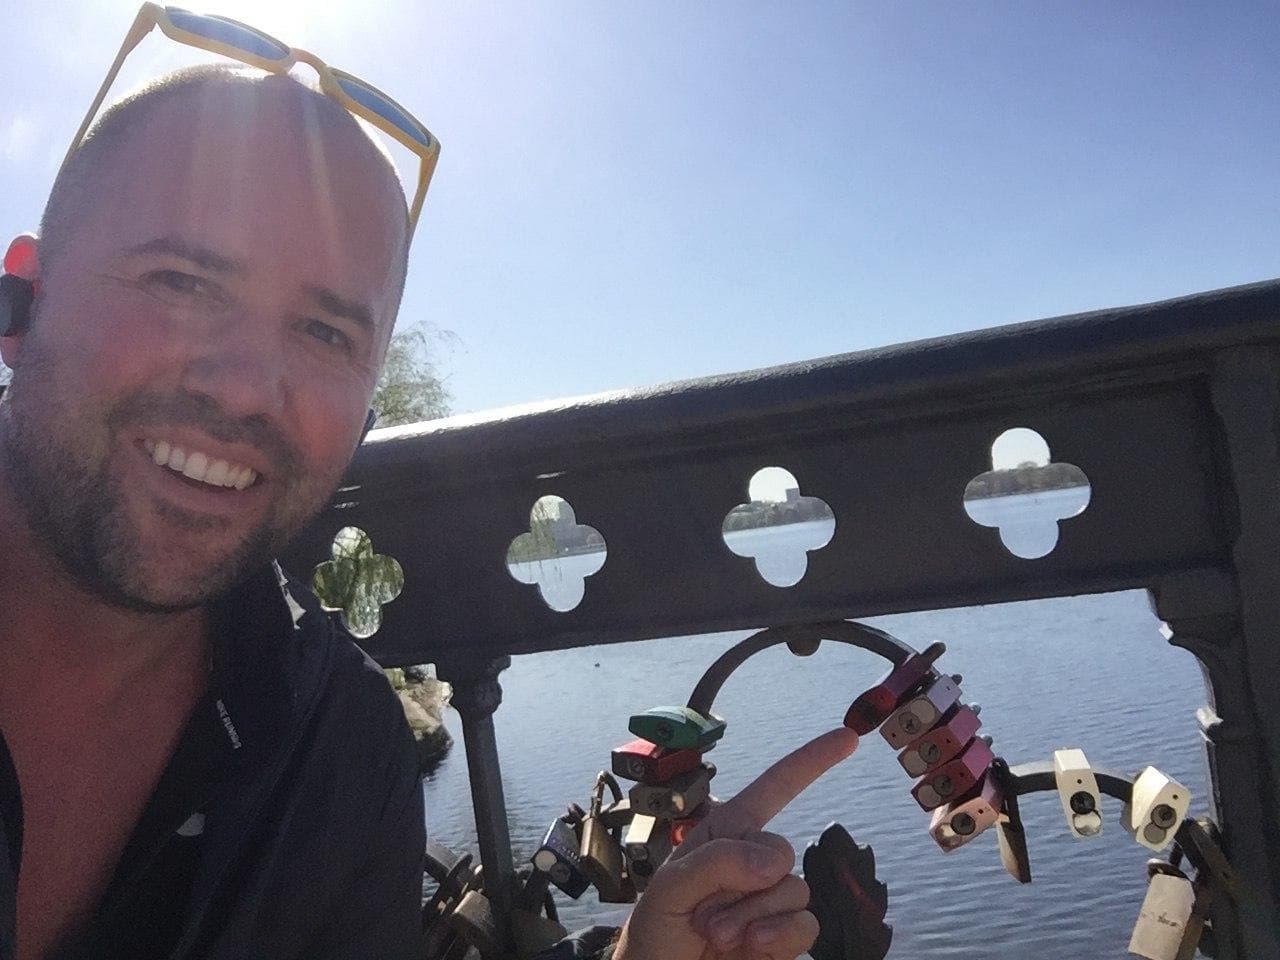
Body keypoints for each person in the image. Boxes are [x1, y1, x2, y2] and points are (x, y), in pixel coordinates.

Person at [0, 16, 858, 960]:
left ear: (366, 410)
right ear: (23, 303)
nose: (245, 386)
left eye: (325, 334)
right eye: (180, 280)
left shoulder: (335, 752)